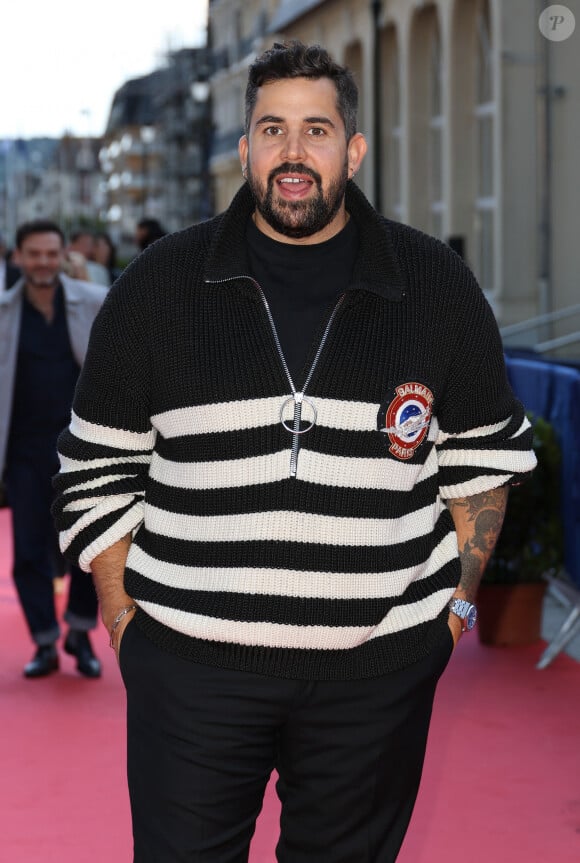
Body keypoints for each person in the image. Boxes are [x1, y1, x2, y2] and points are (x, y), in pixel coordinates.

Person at [53, 41, 537, 861]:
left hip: (377, 675)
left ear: (353, 149)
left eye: (317, 130)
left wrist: (452, 613)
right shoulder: (158, 286)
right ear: (244, 148)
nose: (292, 153)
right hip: (190, 667)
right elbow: (97, 466)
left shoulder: (435, 285)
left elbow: (485, 464)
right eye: (271, 129)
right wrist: (125, 620)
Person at [0, 219, 107, 678]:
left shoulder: (95, 303)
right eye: (34, 254)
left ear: (63, 255)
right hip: (22, 452)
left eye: (50, 253)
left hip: (83, 453)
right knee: (26, 552)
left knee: (87, 548)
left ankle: (80, 633)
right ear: (18, 257)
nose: (43, 262)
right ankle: (44, 641)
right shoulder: (3, 313)